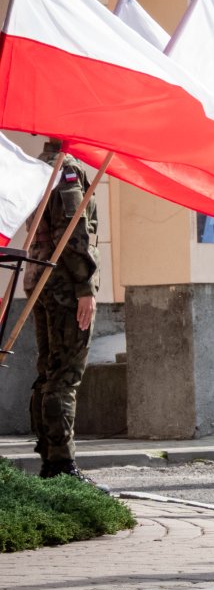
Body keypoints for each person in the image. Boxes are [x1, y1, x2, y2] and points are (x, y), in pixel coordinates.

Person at [24, 138, 105, 489]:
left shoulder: (38, 165)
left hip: (39, 277)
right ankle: (61, 465)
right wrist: (85, 285)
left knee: (47, 372)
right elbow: (73, 233)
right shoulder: (66, 168)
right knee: (64, 375)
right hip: (64, 282)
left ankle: (48, 457)